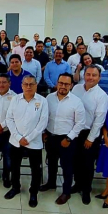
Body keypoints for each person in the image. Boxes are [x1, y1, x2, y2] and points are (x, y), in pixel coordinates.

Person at [40, 73, 86, 205]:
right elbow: (44, 117)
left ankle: (66, 192)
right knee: (51, 162)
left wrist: (69, 138)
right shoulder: (49, 98)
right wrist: (44, 132)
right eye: (60, 83)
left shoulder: (76, 102)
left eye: (66, 84)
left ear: (71, 85)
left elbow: (80, 123)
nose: (63, 86)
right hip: (50, 137)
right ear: (57, 83)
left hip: (67, 139)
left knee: (67, 167)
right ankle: (51, 183)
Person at [4, 75, 49, 208]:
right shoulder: (15, 99)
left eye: (31, 84)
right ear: (22, 85)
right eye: (26, 84)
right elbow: (9, 119)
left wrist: (28, 138)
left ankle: (33, 192)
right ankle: (15, 187)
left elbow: (43, 122)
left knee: (35, 169)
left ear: (36, 85)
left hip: (34, 142)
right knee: (14, 166)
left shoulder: (42, 101)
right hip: (15, 141)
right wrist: (18, 137)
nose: (28, 87)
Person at [71, 65, 108, 204]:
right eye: (88, 74)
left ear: (99, 77)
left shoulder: (102, 96)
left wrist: (90, 138)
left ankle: (86, 190)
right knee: (75, 161)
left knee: (87, 164)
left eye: (94, 75)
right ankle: (77, 184)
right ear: (84, 75)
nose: (90, 78)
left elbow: (99, 120)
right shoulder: (76, 89)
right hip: (75, 132)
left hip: (90, 133)